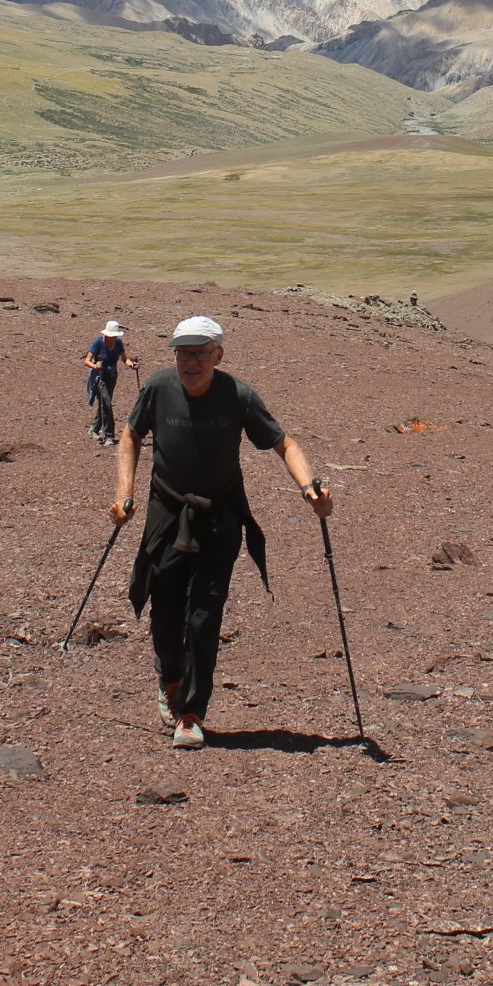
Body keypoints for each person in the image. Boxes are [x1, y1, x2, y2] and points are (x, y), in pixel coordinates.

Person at [109, 315, 333, 749]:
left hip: (221, 517)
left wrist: (310, 489)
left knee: (204, 616)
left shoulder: (238, 396)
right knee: (166, 613)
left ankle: (191, 712)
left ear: (218, 355)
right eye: (182, 352)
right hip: (166, 513)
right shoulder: (157, 388)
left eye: (199, 352)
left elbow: (283, 443)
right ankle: (170, 680)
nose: (190, 361)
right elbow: (132, 434)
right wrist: (124, 493)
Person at [83, 319, 131, 446]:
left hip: (112, 376)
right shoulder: (98, 342)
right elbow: (87, 361)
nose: (112, 337)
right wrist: (95, 367)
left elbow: (125, 359)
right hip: (100, 376)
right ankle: (109, 435)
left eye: (114, 335)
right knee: (107, 403)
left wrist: (132, 365)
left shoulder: (118, 343)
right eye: (111, 335)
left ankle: (94, 429)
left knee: (104, 403)